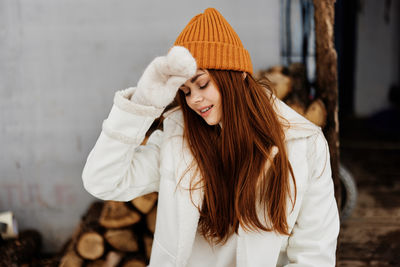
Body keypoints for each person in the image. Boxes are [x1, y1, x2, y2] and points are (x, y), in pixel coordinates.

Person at [82, 7, 339, 267]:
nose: (194, 99)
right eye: (185, 91)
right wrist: (141, 105)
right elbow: (102, 180)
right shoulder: (177, 139)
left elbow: (314, 253)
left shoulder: (303, 145)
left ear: (238, 76)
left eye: (202, 84)